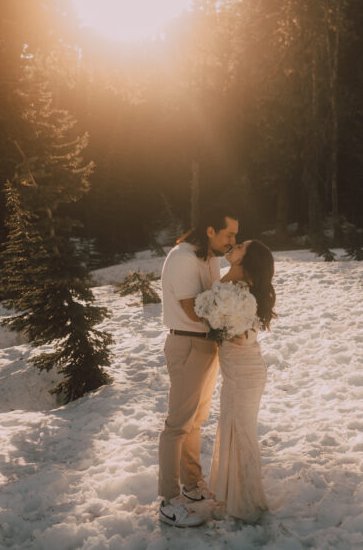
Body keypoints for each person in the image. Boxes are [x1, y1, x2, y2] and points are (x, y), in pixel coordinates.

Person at [157, 209, 238, 528]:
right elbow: (194, 310)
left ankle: (192, 487)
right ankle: (168, 499)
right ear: (209, 230)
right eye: (228, 234)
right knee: (178, 423)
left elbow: (214, 300)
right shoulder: (182, 257)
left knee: (196, 421)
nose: (232, 241)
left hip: (207, 343)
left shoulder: (209, 258)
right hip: (187, 342)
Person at [204, 240, 275, 523]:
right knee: (231, 428)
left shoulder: (241, 293)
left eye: (241, 246)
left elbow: (240, 336)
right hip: (237, 370)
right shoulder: (234, 286)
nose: (233, 246)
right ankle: (230, 496)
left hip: (246, 372)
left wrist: (224, 326)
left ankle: (247, 503)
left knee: (242, 434)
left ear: (248, 259)